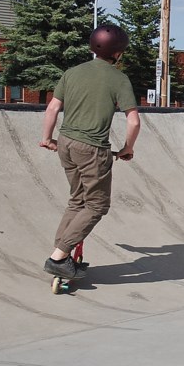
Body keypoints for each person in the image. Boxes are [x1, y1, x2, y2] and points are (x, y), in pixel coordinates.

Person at [40, 24, 140, 279]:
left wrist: (47, 139)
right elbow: (134, 120)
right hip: (92, 148)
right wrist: (127, 148)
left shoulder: (71, 73)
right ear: (117, 53)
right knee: (96, 205)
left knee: (77, 201)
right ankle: (58, 257)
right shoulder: (119, 78)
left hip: (66, 142)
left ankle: (62, 255)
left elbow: (52, 109)